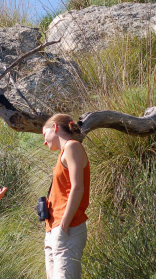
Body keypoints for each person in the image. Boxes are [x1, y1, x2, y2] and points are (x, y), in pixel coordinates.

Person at [42, 114, 90, 279]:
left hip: (67, 228)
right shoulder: (64, 152)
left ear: (55, 127)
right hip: (54, 230)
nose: (44, 141)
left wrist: (63, 225)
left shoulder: (72, 146)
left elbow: (77, 188)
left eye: (44, 134)